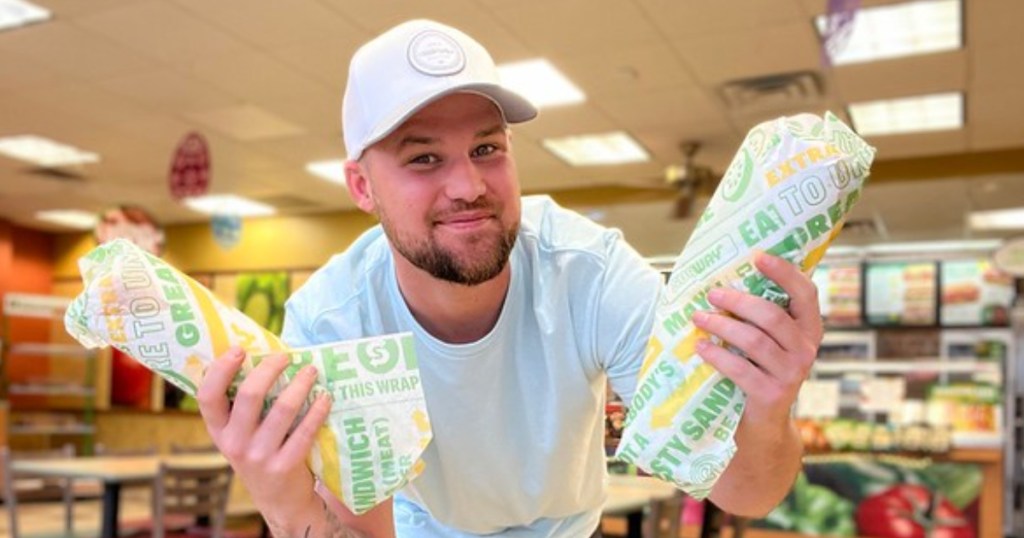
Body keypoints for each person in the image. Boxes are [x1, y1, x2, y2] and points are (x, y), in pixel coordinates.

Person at [196, 19, 822, 538]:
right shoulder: (333, 319)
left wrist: (768, 409)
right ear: (362, 186)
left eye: (487, 149)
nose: (468, 186)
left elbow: (745, 494)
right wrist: (285, 505)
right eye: (423, 158)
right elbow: (361, 531)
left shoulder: (593, 274)